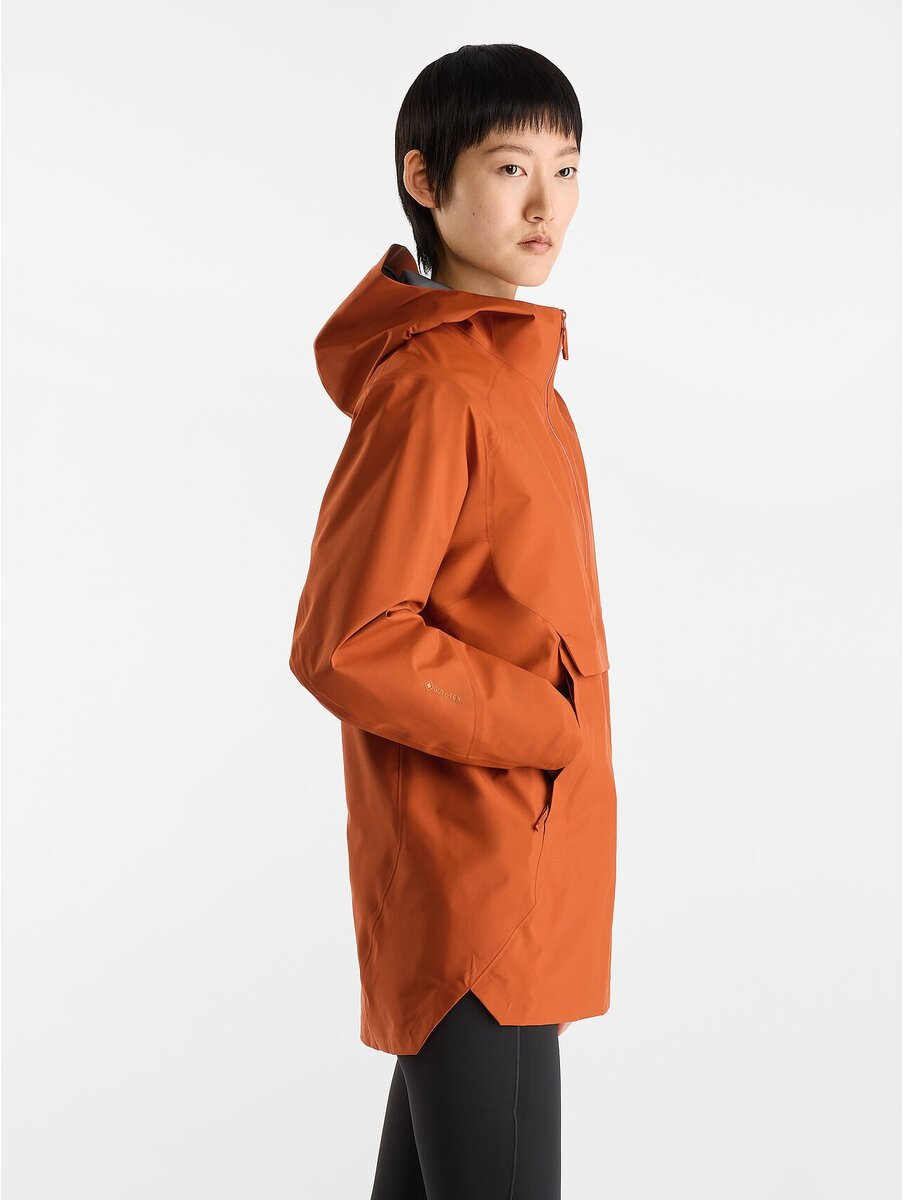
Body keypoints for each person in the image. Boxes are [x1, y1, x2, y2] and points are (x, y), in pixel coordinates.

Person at [289, 43, 617, 1200]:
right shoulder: (433, 390)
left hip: (518, 871)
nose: (545, 207)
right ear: (424, 181)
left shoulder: (528, 393)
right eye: (511, 168)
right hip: (480, 889)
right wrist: (544, 726)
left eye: (566, 171)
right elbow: (347, 640)